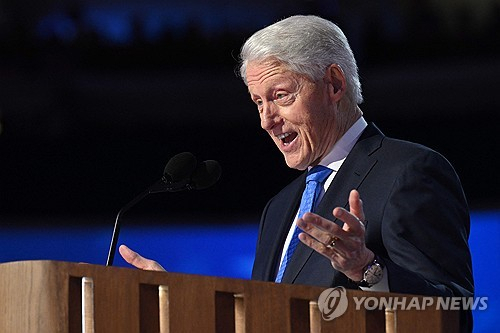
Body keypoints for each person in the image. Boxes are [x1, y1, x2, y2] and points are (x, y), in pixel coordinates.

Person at [119, 15, 473, 331]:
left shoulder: (410, 172)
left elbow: (455, 314)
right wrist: (189, 305)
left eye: (281, 96)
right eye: (258, 102)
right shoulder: (280, 206)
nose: (266, 121)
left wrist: (368, 270)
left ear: (334, 84)